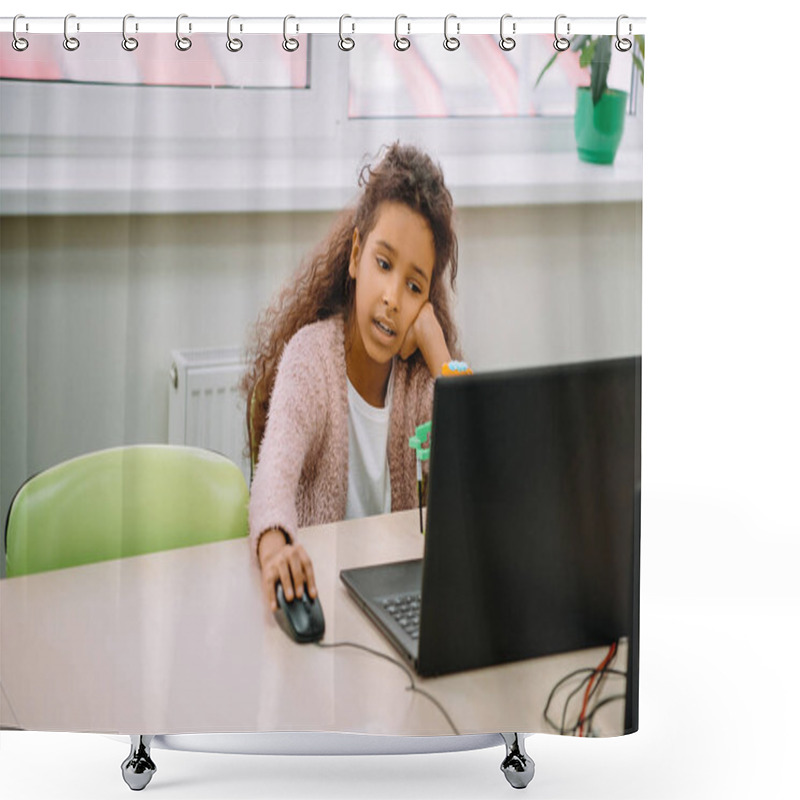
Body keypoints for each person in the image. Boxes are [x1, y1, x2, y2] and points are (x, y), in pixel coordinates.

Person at [242, 143, 467, 614]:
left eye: (413, 286)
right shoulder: (311, 360)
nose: (391, 298)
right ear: (355, 257)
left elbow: (481, 468)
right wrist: (275, 550)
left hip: (396, 606)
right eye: (383, 264)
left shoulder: (421, 382)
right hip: (320, 598)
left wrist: (435, 344)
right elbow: (272, 478)